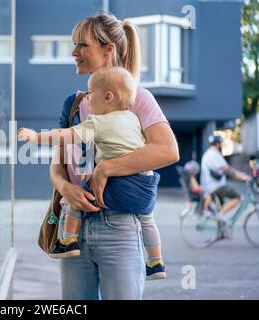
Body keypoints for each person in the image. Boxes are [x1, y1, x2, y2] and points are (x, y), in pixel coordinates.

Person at [49, 14, 179, 299]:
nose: (74, 53)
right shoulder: (73, 104)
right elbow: (58, 165)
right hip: (73, 230)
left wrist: (106, 168)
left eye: (82, 45)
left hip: (119, 227)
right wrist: (64, 188)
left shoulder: (138, 98)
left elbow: (168, 150)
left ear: (108, 49)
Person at [19, 67, 165, 280]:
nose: (86, 99)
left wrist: (34, 137)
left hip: (119, 186)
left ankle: (68, 239)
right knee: (148, 220)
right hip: (144, 185)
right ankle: (155, 261)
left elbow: (64, 136)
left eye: (89, 93)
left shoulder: (98, 122)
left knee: (78, 197)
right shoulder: (133, 119)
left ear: (107, 96)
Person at [201, 135, 250, 219]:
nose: (222, 145)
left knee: (222, 206)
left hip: (211, 186)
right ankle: (220, 216)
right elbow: (228, 170)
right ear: (217, 144)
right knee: (239, 197)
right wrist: (243, 177)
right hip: (216, 186)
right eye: (221, 143)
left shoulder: (208, 153)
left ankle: (222, 227)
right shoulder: (214, 154)